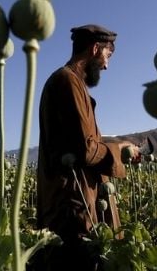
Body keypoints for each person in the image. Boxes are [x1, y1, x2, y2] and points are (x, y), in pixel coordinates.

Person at [30, 24, 140, 271]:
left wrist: (118, 145)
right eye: (107, 56)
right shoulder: (67, 82)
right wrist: (121, 149)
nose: (106, 65)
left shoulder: (72, 83)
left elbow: (85, 143)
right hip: (71, 207)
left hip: (75, 202)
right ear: (94, 49)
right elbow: (86, 151)